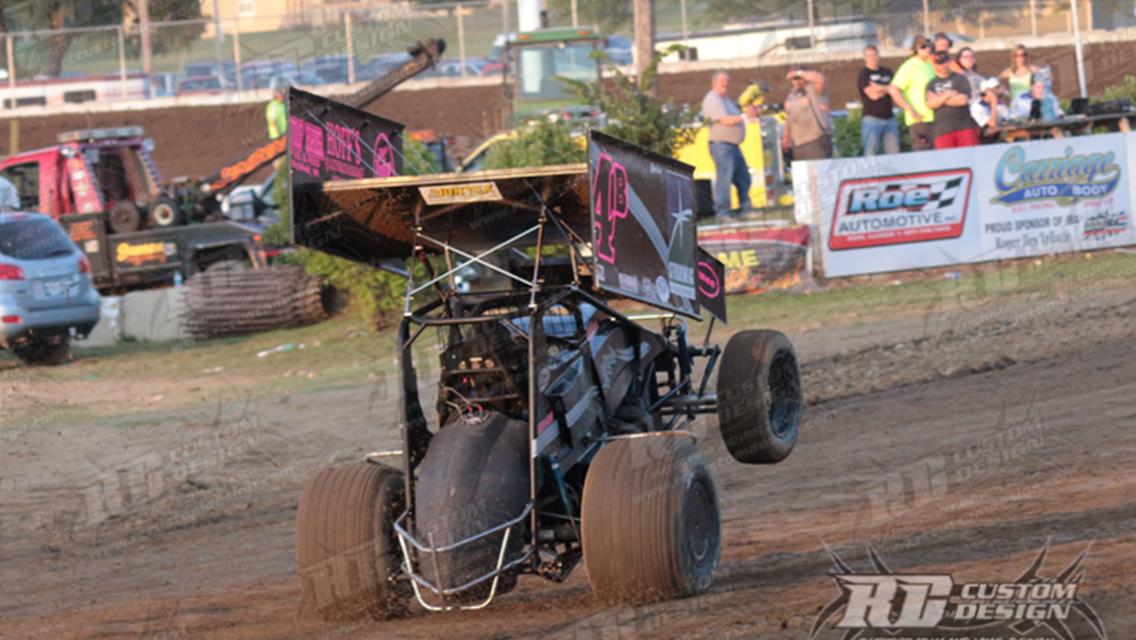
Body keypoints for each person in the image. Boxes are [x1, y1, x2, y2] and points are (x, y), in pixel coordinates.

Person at [700, 70, 751, 217]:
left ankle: (745, 209)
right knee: (724, 179)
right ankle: (722, 213)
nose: (726, 84)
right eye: (723, 81)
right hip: (721, 146)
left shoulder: (726, 100)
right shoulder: (712, 99)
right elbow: (725, 120)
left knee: (743, 178)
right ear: (714, 82)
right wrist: (744, 116)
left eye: (727, 81)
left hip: (732, 145)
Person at [888, 35, 936, 151]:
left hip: (934, 118)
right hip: (919, 121)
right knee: (924, 158)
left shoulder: (929, 65)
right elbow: (893, 89)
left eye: (929, 46)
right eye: (923, 47)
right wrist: (911, 110)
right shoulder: (909, 66)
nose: (927, 49)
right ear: (916, 49)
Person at [926, 51, 980, 148]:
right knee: (948, 162)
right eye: (939, 63)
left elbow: (963, 100)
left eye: (945, 62)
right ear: (935, 65)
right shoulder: (931, 84)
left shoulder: (960, 78)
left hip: (964, 127)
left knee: (969, 160)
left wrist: (939, 99)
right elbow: (930, 104)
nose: (943, 66)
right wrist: (947, 95)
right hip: (942, 130)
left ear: (950, 62)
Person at [782, 66, 832, 160]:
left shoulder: (814, 90)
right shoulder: (792, 95)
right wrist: (786, 136)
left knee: (817, 173)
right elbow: (789, 117)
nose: (797, 81)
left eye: (799, 78)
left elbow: (820, 79)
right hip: (798, 144)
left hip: (815, 141)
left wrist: (799, 73)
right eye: (794, 79)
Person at [858, 44, 899, 155]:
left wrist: (878, 88)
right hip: (872, 119)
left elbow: (896, 90)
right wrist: (887, 89)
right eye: (869, 56)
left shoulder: (887, 72)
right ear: (865, 58)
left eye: (874, 55)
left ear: (878, 55)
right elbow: (873, 96)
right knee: (871, 153)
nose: (872, 58)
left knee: (894, 153)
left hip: (890, 118)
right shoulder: (864, 74)